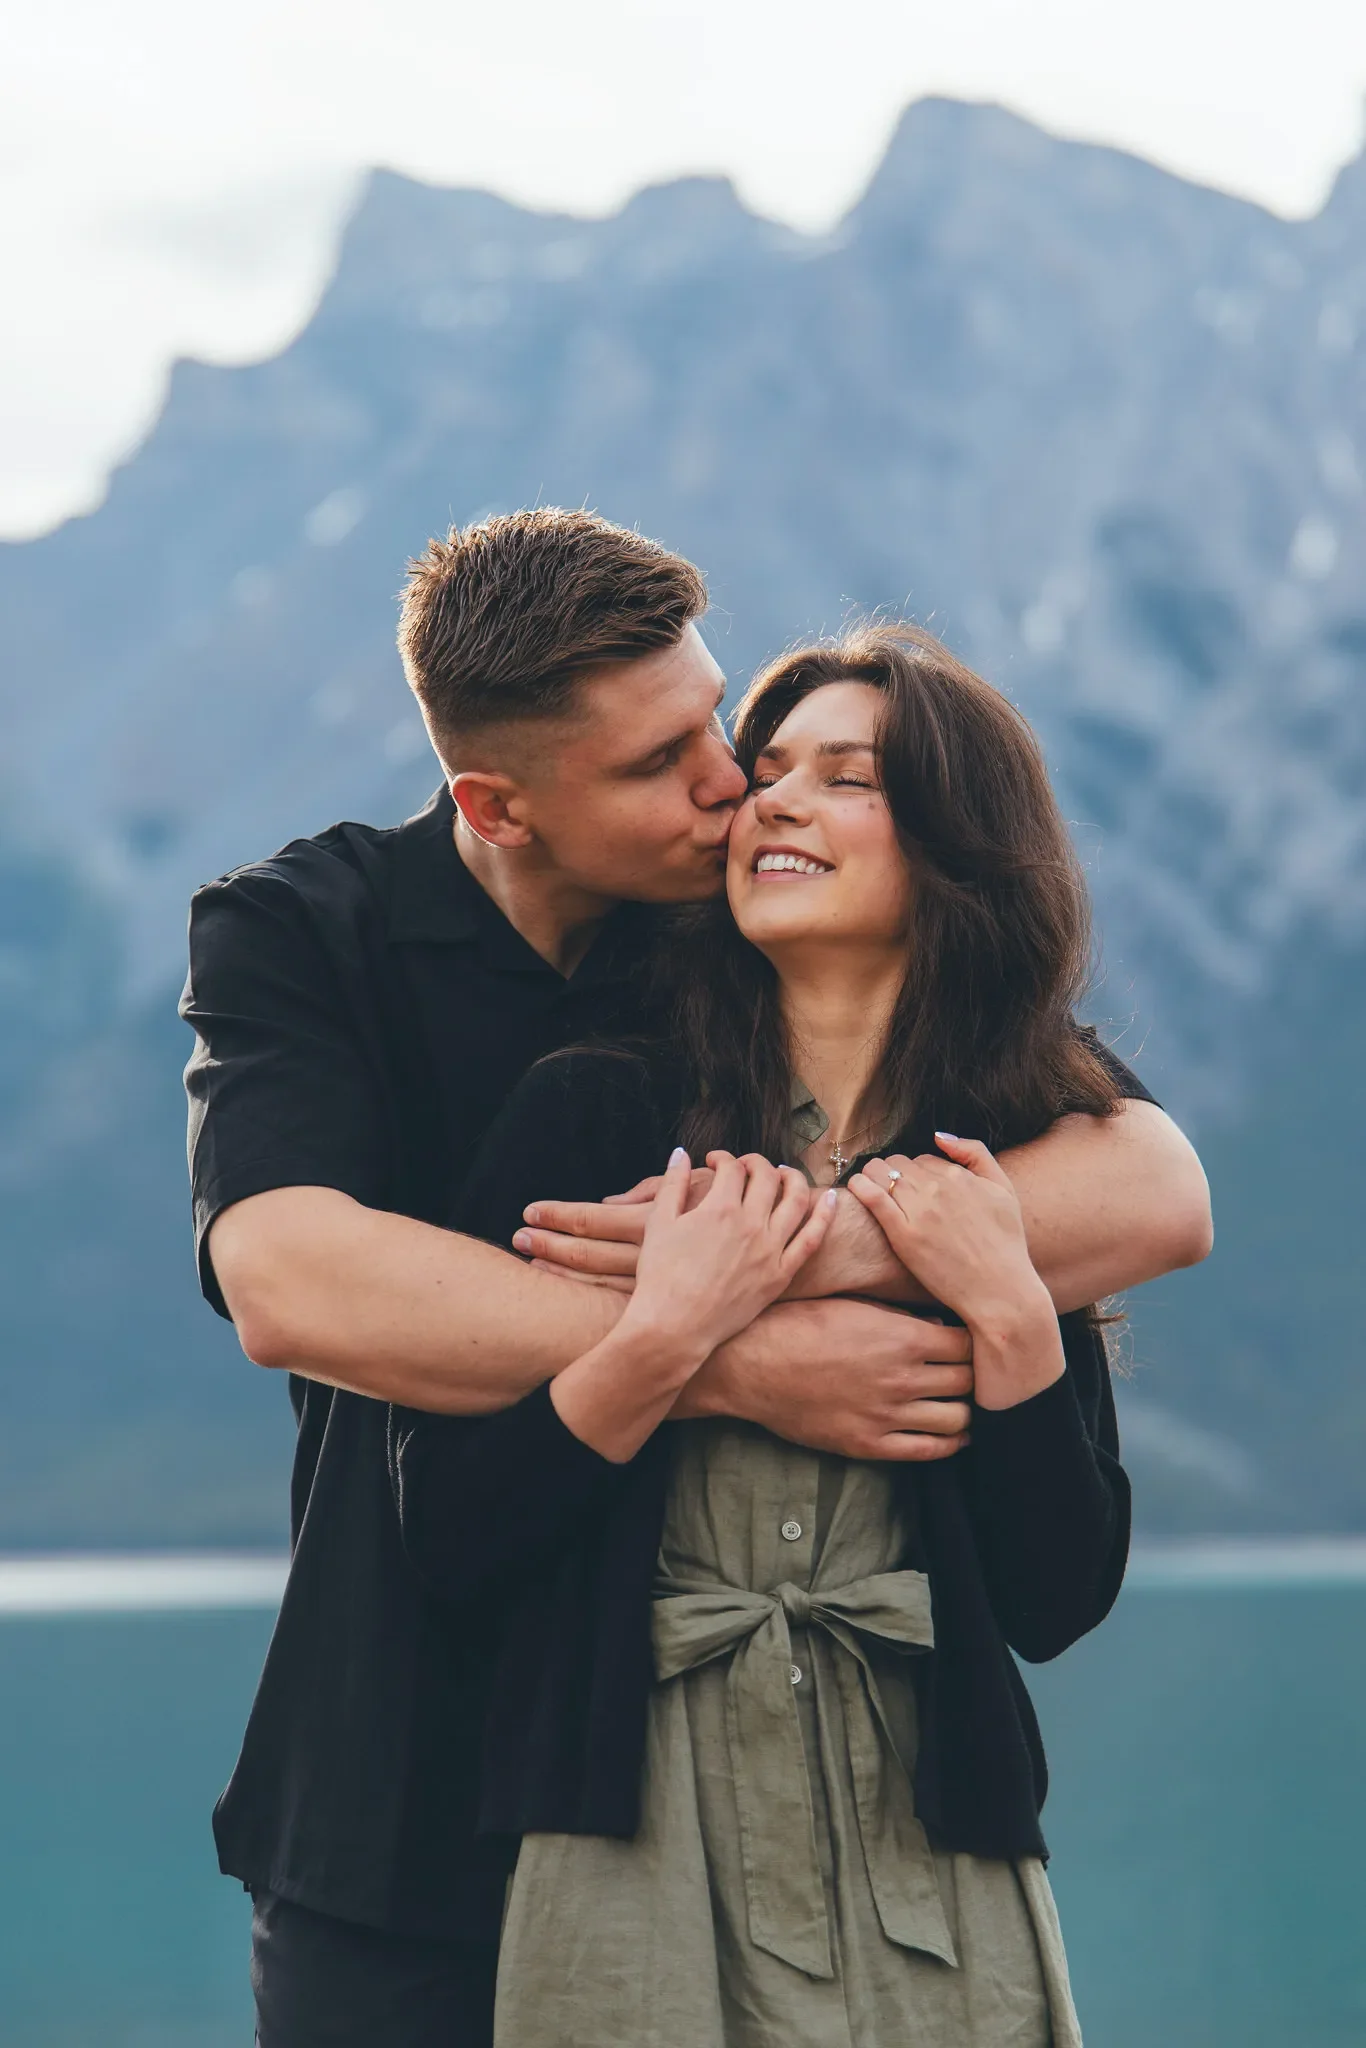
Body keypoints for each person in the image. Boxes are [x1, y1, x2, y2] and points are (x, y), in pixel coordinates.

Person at [180, 511, 1211, 2047]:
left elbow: (1151, 1181)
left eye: (720, 727)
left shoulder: (733, 942)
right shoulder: (305, 934)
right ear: (499, 806)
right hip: (391, 1778)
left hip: (788, 1819)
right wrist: (725, 1352)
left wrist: (846, 1241)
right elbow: (285, 1283)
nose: (733, 787)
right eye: (670, 763)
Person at [391, 624, 1148, 2046]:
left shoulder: (1011, 1157)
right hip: (628, 1857)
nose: (774, 800)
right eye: (768, 766)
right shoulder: (591, 1113)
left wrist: (1007, 1309)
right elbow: (448, 1537)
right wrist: (666, 1337)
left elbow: (1056, 1598)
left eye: (846, 777)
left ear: (954, 847)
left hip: (935, 1861)